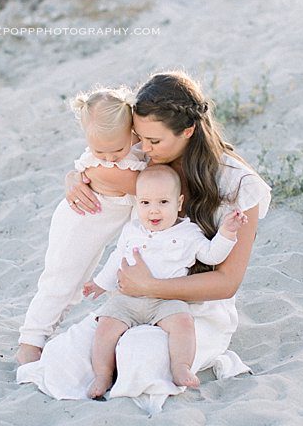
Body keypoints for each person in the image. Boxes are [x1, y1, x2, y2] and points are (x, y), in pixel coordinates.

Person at [17, 71, 272, 411]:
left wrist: (150, 286)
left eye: (153, 141)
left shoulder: (239, 184)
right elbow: (99, 163)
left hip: (191, 307)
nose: (144, 149)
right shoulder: (144, 161)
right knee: (66, 359)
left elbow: (227, 282)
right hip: (133, 299)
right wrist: (77, 177)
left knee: (138, 359)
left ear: (188, 130)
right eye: (140, 138)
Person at [83, 165, 248, 398]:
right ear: (137, 203)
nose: (154, 211)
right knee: (105, 327)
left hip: (167, 300)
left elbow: (212, 255)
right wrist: (100, 283)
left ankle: (181, 366)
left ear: (179, 203)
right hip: (128, 299)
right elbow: (116, 258)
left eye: (163, 202)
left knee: (183, 323)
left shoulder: (188, 233)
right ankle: (102, 374)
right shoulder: (132, 230)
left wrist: (227, 234)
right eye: (145, 203)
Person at [15, 86, 147, 365]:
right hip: (78, 221)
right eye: (99, 151)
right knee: (60, 281)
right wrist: (78, 173)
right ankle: (30, 342)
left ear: (132, 132)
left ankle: (44, 334)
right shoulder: (111, 170)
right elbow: (147, 187)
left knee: (73, 287)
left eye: (117, 149)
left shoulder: (133, 147)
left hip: (99, 227)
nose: (110, 158)